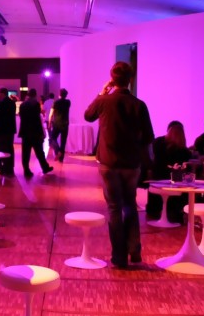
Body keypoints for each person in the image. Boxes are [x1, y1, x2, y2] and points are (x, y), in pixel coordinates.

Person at [85, 61, 154, 268]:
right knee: (130, 204)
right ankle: (134, 250)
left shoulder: (104, 101)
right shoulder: (139, 105)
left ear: (112, 79)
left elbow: (88, 115)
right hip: (131, 163)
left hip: (109, 163)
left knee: (114, 208)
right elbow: (148, 136)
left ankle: (119, 256)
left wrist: (101, 92)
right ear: (130, 79)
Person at [145, 121, 191, 223]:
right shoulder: (183, 150)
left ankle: (155, 212)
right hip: (175, 181)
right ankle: (175, 213)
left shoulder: (157, 142)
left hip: (157, 178)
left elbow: (151, 158)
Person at [19, 88, 53, 177]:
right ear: (35, 95)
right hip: (34, 132)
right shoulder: (36, 104)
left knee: (25, 153)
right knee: (39, 151)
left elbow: (21, 117)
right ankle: (45, 167)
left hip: (25, 132)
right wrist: (41, 132)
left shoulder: (22, 104)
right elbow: (37, 119)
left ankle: (26, 170)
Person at [0, 88, 16, 176]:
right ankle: (9, 168)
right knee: (9, 148)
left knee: (4, 149)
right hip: (9, 129)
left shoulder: (3, 103)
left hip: (3, 129)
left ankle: (6, 169)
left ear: (2, 94)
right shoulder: (11, 102)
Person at [48, 88, 71, 162]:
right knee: (63, 142)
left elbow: (51, 114)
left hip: (57, 123)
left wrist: (49, 123)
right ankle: (61, 158)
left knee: (52, 138)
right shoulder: (68, 102)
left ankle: (57, 151)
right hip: (65, 124)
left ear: (59, 94)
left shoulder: (56, 102)